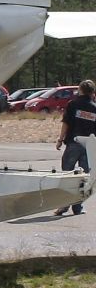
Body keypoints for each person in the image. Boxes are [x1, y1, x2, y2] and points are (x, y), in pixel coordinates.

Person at [53, 79, 96, 216]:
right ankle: (78, 207)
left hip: (73, 143)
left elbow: (66, 123)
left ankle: (64, 206)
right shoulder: (94, 108)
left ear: (80, 90)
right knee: (82, 178)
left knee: (67, 176)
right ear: (92, 92)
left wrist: (60, 139)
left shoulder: (73, 104)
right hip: (88, 146)